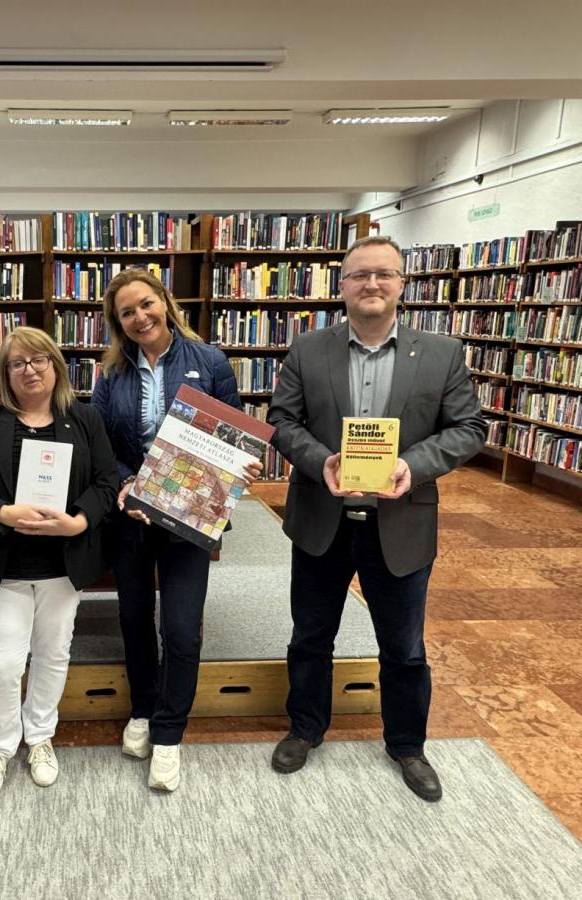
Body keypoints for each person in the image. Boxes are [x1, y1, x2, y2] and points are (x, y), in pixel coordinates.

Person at [266, 235, 485, 802]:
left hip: (401, 522)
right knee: (311, 635)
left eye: (384, 274)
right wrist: (322, 461)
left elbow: (468, 428)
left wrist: (414, 465)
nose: (371, 284)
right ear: (341, 286)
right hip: (322, 519)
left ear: (401, 284)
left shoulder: (441, 353)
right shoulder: (308, 350)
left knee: (405, 646)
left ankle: (408, 745)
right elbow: (282, 422)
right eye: (359, 274)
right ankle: (305, 728)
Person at [91, 268, 260, 792]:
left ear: (164, 302)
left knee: (182, 627)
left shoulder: (208, 361)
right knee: (134, 616)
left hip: (190, 515)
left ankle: (168, 734)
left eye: (146, 304)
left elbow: (233, 431)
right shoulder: (112, 373)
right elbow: (101, 443)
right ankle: (143, 709)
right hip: (132, 514)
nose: (140, 317)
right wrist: (126, 483)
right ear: (117, 323)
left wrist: (241, 463)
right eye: (127, 312)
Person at [0, 326, 118, 802]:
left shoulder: (84, 419)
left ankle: (40, 736)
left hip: (63, 564)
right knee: (1, 663)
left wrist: (79, 522)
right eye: (17, 363)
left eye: (39, 360)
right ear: (5, 373)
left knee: (53, 654)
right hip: (2, 565)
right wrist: (3, 513)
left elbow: (106, 483)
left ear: (55, 366)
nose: (30, 370)